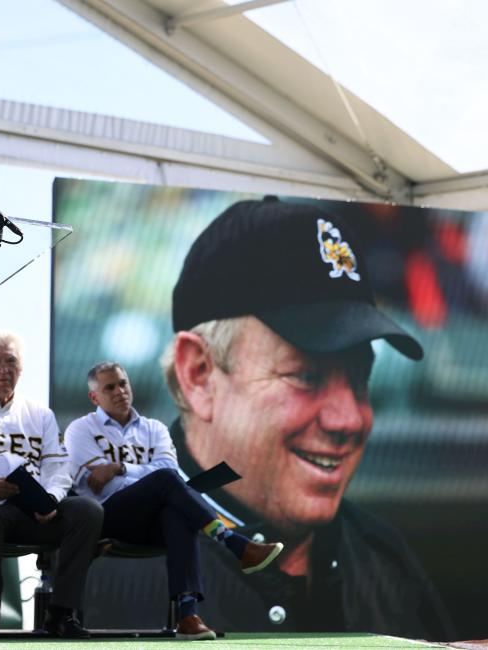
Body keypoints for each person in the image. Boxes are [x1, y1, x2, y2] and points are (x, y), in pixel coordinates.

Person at [160, 196, 454, 638]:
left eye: (359, 379)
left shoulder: (386, 562)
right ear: (199, 375)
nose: (349, 419)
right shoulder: (111, 572)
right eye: (305, 376)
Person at [64, 361, 283, 640]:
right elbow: (99, 481)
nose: (120, 391)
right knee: (168, 484)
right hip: (107, 518)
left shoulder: (155, 429)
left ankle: (188, 616)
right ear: (94, 397)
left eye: (123, 383)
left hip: (153, 518)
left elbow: (161, 468)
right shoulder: (80, 430)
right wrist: (147, 479)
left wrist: (120, 467)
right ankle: (233, 542)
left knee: (177, 512)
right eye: (110, 387)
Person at [0, 330, 104, 639]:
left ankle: (61, 613)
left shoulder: (39, 413)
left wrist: (51, 499)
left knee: (87, 510)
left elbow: (57, 467)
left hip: (33, 514)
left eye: (11, 361)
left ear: (22, 367)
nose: (3, 370)